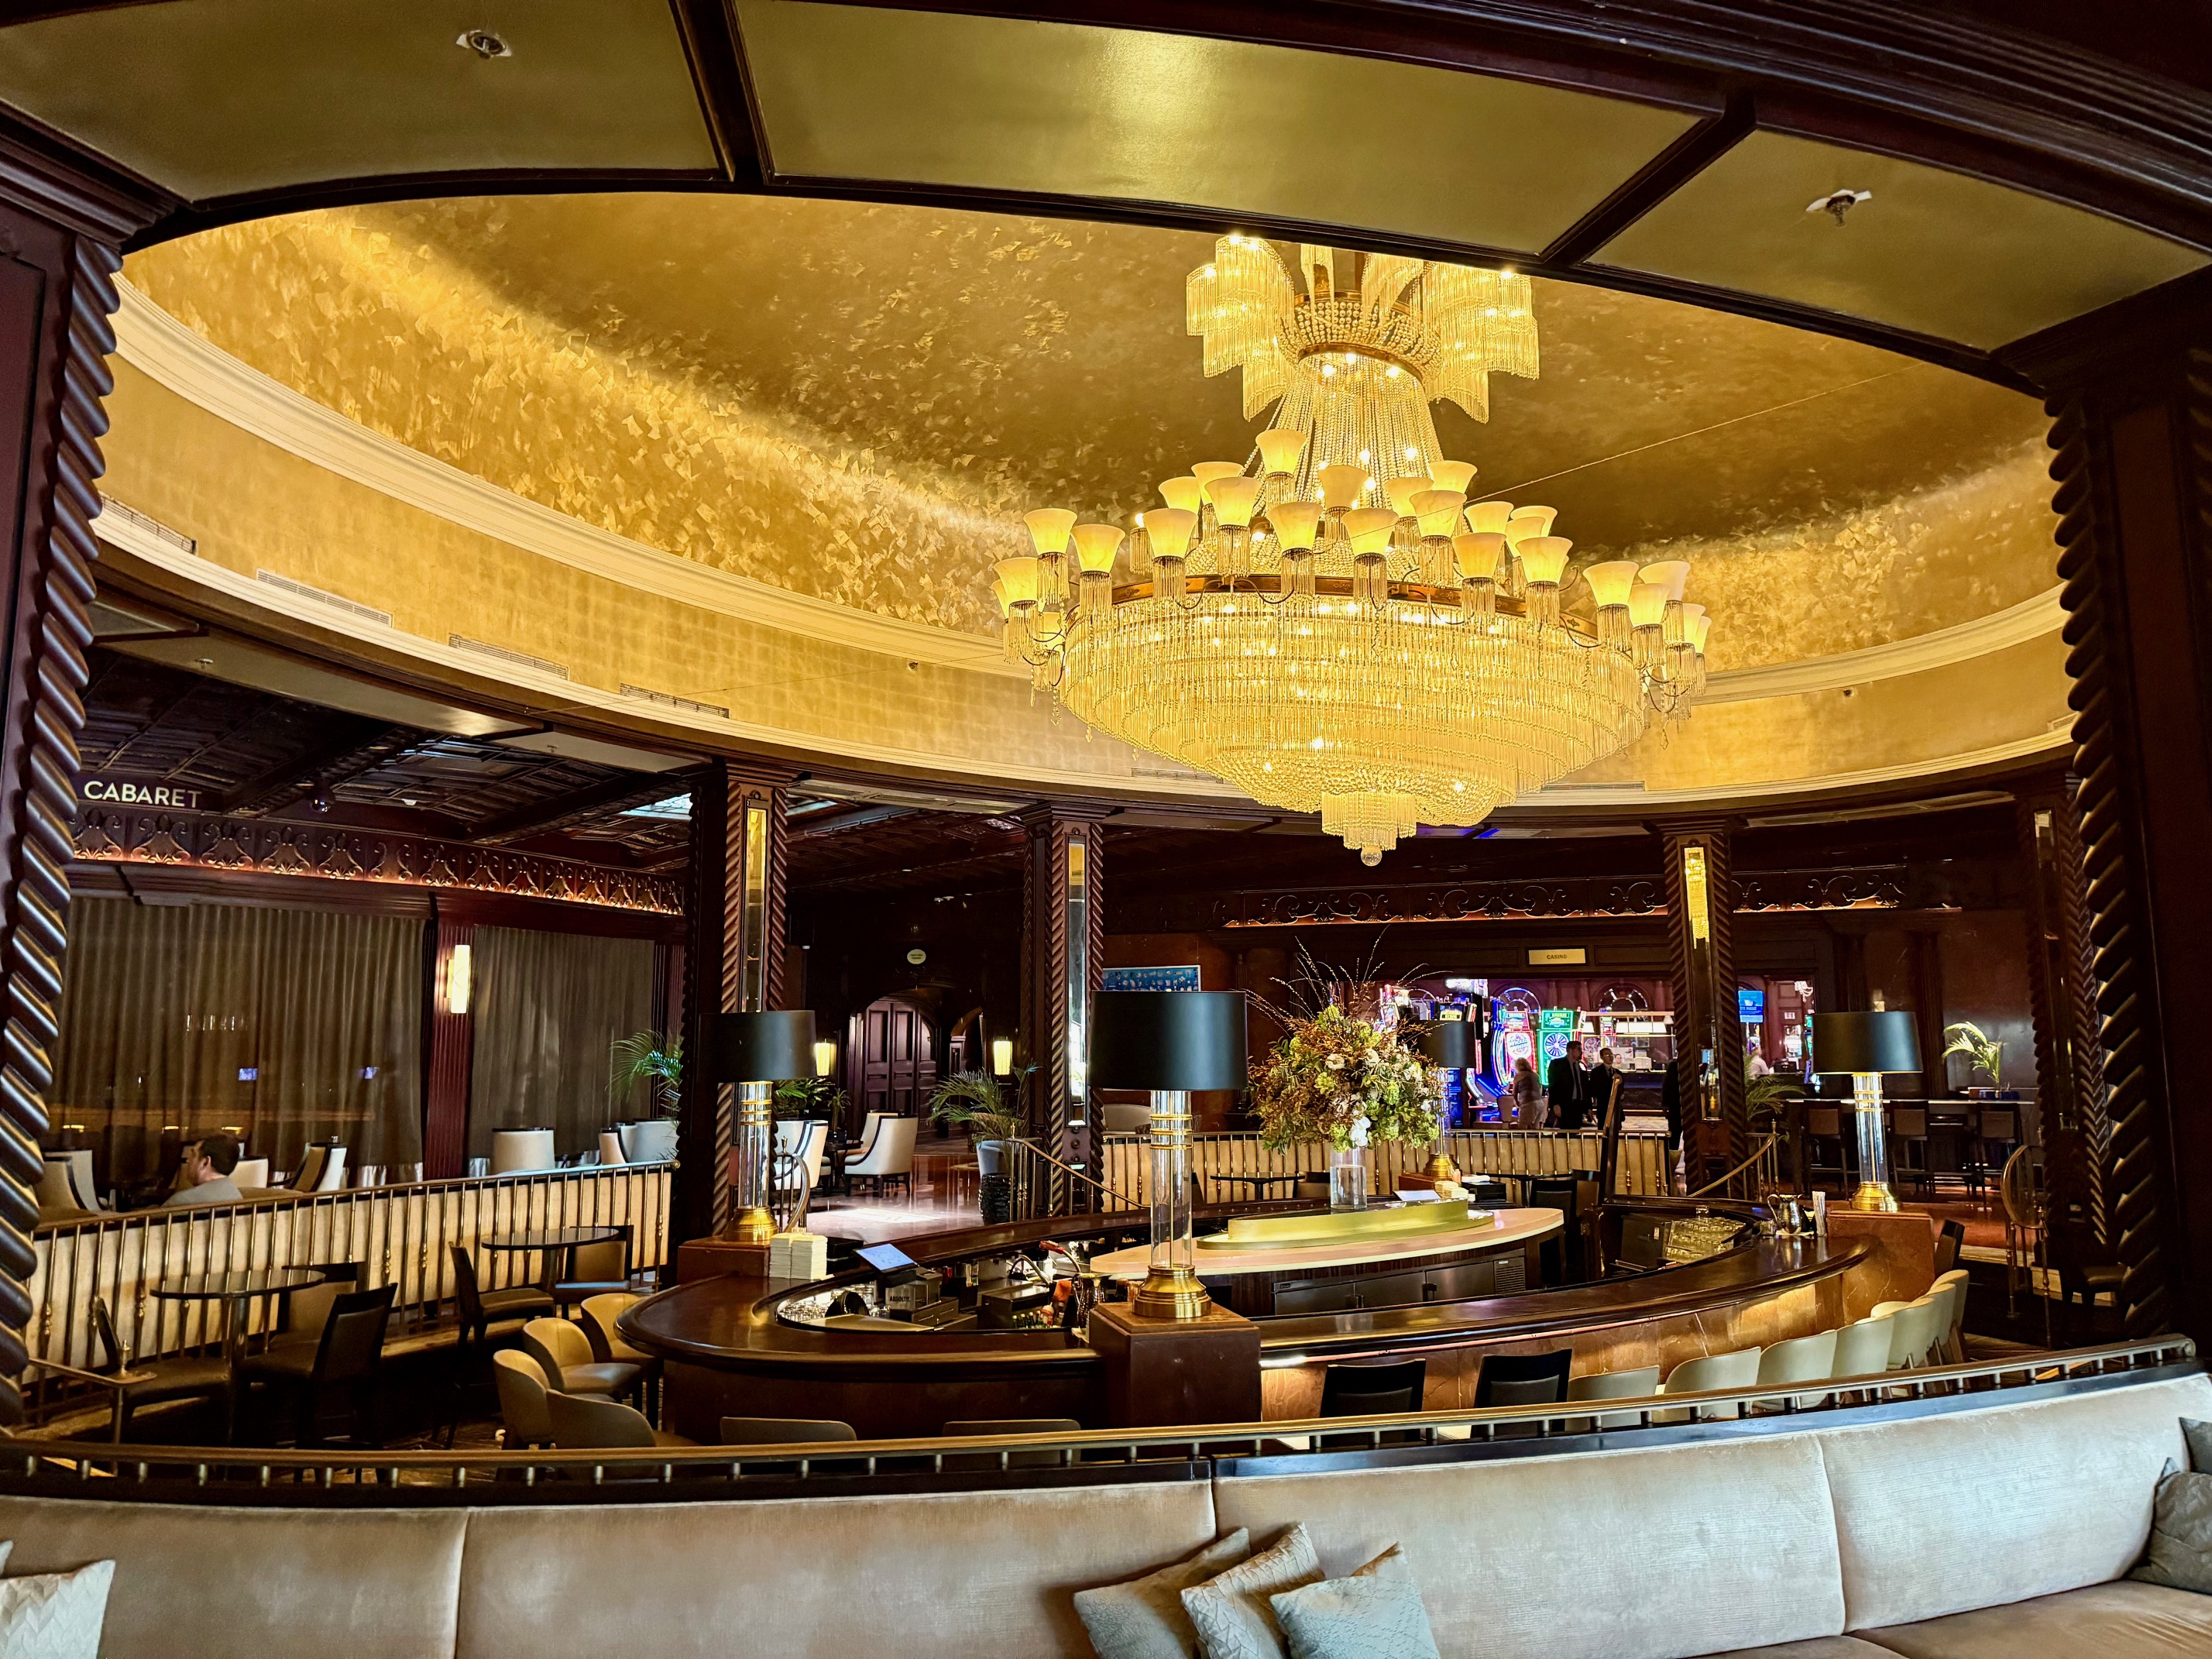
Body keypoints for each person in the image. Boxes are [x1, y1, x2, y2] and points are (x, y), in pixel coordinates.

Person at [163, 1132, 243, 1207]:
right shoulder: (237, 1197)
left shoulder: (181, 1201)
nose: (188, 1160)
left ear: (205, 1162)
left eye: (193, 1155)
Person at [1547, 1039, 1591, 1132]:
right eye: (1578, 1049)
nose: (1581, 1052)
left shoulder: (1580, 1066)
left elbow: (1585, 1087)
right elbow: (1553, 1085)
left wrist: (1588, 1107)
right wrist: (1555, 1104)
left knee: (1576, 1130)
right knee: (1565, 1131)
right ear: (1570, 1050)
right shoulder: (1557, 1065)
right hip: (1565, 1104)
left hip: (1578, 1105)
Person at [1589, 1046, 1623, 1128]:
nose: (1610, 1057)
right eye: (1607, 1055)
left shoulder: (1617, 1072)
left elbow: (1621, 1089)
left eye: (1611, 1054)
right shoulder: (1596, 1072)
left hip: (1616, 1110)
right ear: (1602, 1057)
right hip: (1603, 1109)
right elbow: (1593, 1090)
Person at [1511, 1056, 1543, 1128]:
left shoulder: (1519, 1075)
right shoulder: (1536, 1075)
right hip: (1540, 1103)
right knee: (1536, 1128)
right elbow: (1540, 1089)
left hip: (1528, 1103)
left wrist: (1517, 1103)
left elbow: (1514, 1093)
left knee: (1523, 1127)